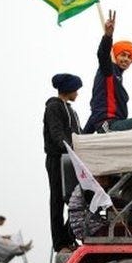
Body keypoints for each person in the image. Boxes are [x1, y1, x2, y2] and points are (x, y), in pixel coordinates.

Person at [83, 10, 132, 133]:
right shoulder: (108, 70)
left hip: (113, 124)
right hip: (109, 125)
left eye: (129, 57)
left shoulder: (117, 78)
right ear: (115, 55)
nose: (126, 59)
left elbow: (96, 109)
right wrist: (108, 36)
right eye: (123, 55)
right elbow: (103, 54)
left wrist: (83, 136)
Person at [44, 73, 84, 252]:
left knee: (77, 199)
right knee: (58, 200)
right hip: (58, 159)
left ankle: (69, 237)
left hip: (72, 159)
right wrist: (69, 148)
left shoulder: (71, 110)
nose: (78, 93)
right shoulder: (53, 107)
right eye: (76, 89)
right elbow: (56, 133)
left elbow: (79, 134)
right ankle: (60, 244)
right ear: (69, 89)